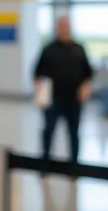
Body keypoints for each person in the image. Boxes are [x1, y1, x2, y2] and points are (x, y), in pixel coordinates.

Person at [34, 15, 94, 165]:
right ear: (56, 28)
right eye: (60, 26)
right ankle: (45, 162)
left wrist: (85, 88)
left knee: (73, 132)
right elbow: (37, 74)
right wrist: (40, 96)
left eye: (66, 26)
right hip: (53, 98)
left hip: (73, 99)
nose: (63, 29)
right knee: (48, 130)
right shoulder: (48, 49)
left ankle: (74, 164)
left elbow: (88, 74)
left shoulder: (79, 49)